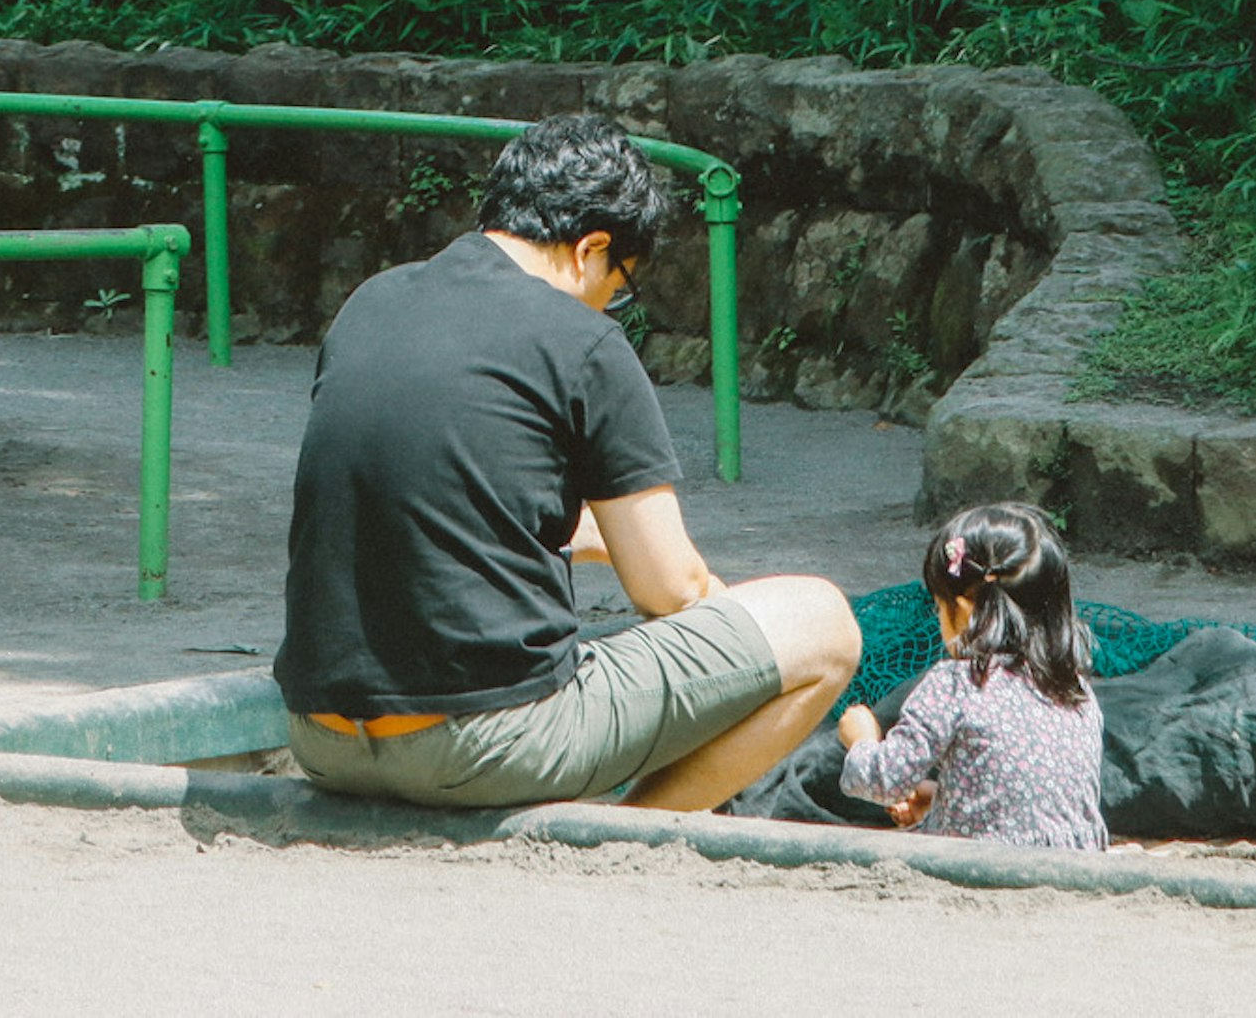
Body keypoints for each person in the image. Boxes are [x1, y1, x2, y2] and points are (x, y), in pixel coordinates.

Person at [274, 114, 860, 813]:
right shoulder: (583, 340)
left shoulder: (370, 303)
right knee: (823, 624)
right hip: (485, 746)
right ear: (593, 247)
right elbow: (670, 589)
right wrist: (734, 644)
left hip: (323, 740)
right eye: (620, 282)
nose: (612, 300)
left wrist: (581, 537)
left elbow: (412, 495)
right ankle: (635, 831)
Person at [833, 503, 1108, 850]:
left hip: (984, 865)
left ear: (961, 611)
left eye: (939, 606)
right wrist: (940, 797)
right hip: (1077, 862)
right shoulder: (1075, 688)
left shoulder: (955, 683)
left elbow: (882, 782)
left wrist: (862, 739)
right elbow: (1033, 797)